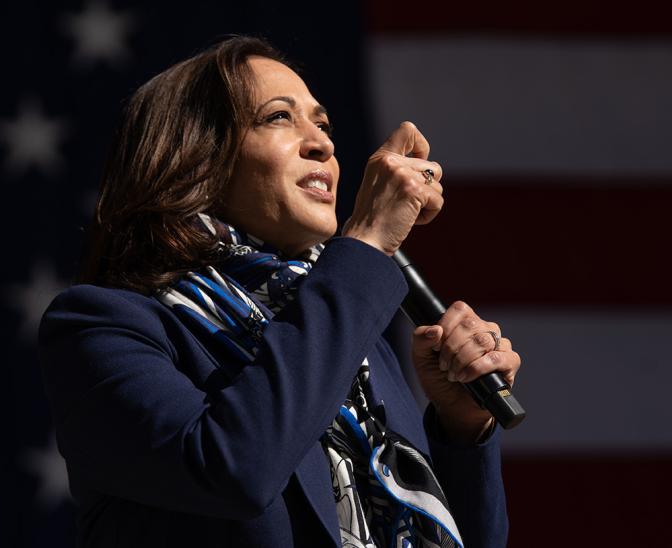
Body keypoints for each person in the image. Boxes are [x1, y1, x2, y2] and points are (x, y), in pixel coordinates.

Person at [38, 36, 520, 548]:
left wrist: (461, 427)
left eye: (324, 124)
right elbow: (233, 469)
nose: (323, 145)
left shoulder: (353, 339)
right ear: (193, 157)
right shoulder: (99, 327)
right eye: (278, 118)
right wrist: (366, 240)